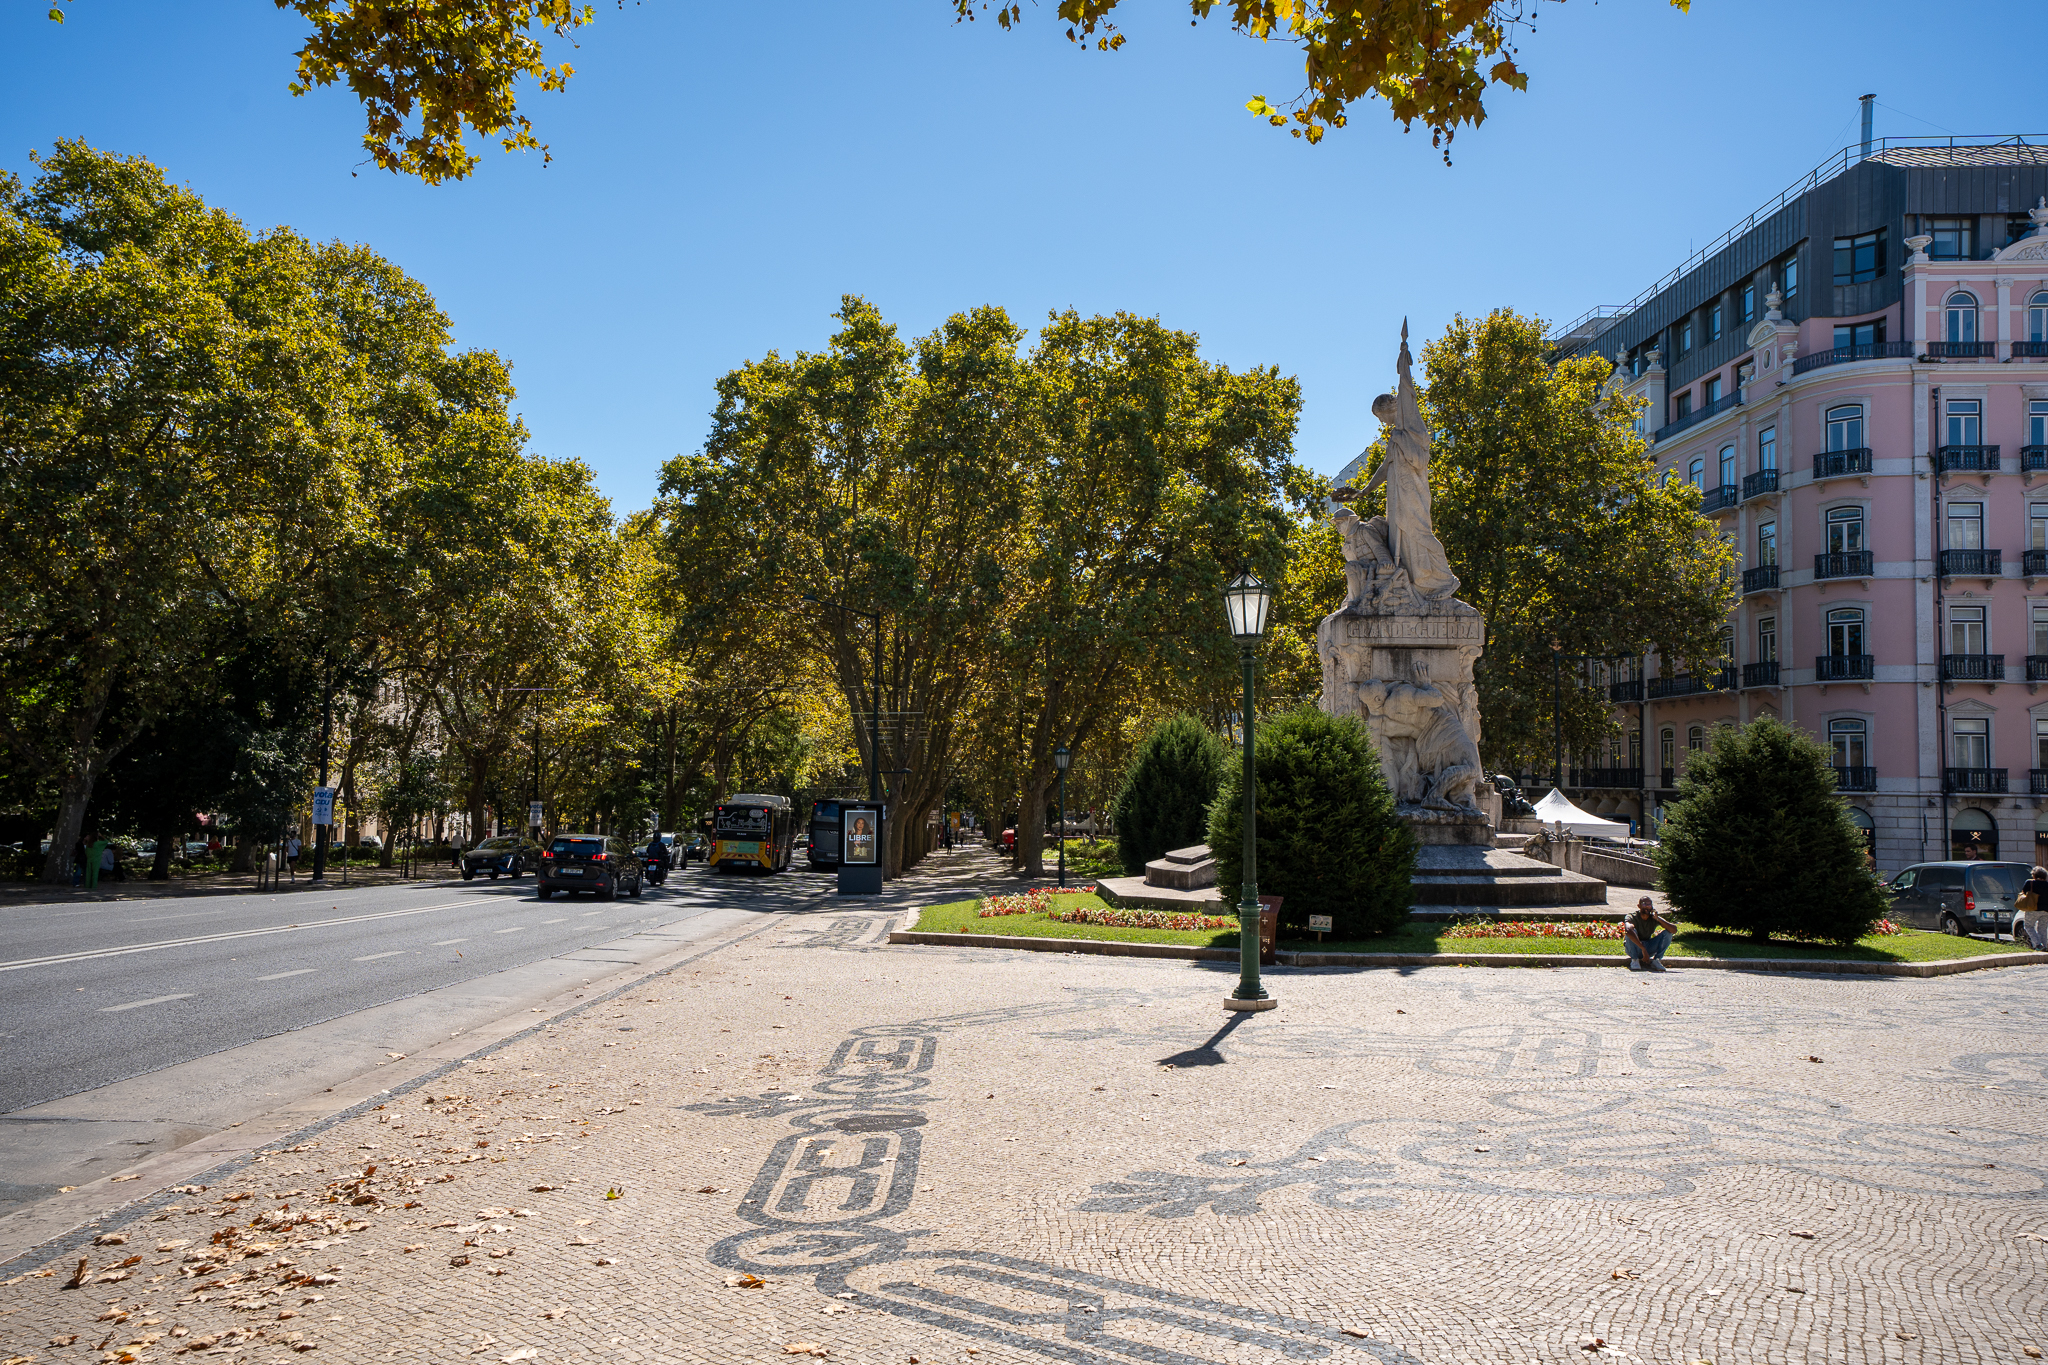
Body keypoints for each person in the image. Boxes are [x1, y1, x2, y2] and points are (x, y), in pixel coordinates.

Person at [1624, 896, 1677, 973]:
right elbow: (1628, 930)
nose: (1647, 906)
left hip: (1648, 947)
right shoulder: (1632, 916)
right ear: (1639, 906)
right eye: (1644, 904)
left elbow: (1674, 930)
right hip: (1633, 948)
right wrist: (1643, 949)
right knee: (1630, 931)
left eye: (1649, 904)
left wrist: (1658, 918)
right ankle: (1634, 960)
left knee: (1668, 933)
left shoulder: (1653, 917)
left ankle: (1656, 960)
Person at [2021, 865, 2048, 952]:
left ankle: (2038, 944)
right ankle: (2045, 946)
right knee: (2042, 928)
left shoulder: (2030, 883)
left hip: (2033, 908)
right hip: (2046, 910)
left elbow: (2024, 892)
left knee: (2028, 926)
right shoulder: (2047, 884)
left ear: (2034, 875)